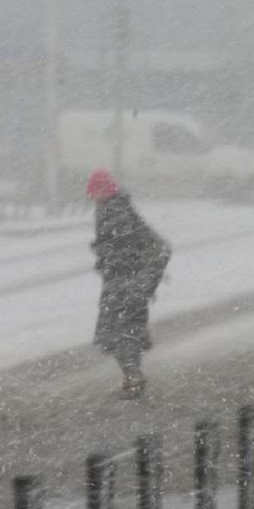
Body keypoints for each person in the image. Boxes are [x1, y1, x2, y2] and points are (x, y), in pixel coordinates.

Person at [87, 170, 171, 398]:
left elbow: (126, 246)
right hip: (124, 282)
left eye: (96, 193)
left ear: (105, 191)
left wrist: (111, 259)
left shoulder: (115, 211)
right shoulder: (112, 208)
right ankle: (132, 368)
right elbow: (124, 244)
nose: (94, 198)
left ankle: (133, 375)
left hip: (125, 283)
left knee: (118, 331)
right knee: (120, 330)